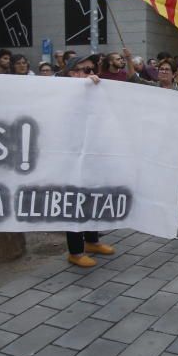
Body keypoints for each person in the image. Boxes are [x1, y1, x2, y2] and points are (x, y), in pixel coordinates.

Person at [61, 54, 117, 266]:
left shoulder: (92, 92)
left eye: (92, 70)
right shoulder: (62, 92)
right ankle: (75, 251)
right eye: (85, 70)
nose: (91, 74)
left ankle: (92, 240)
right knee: (74, 201)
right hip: (70, 157)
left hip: (91, 153)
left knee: (92, 196)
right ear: (72, 73)